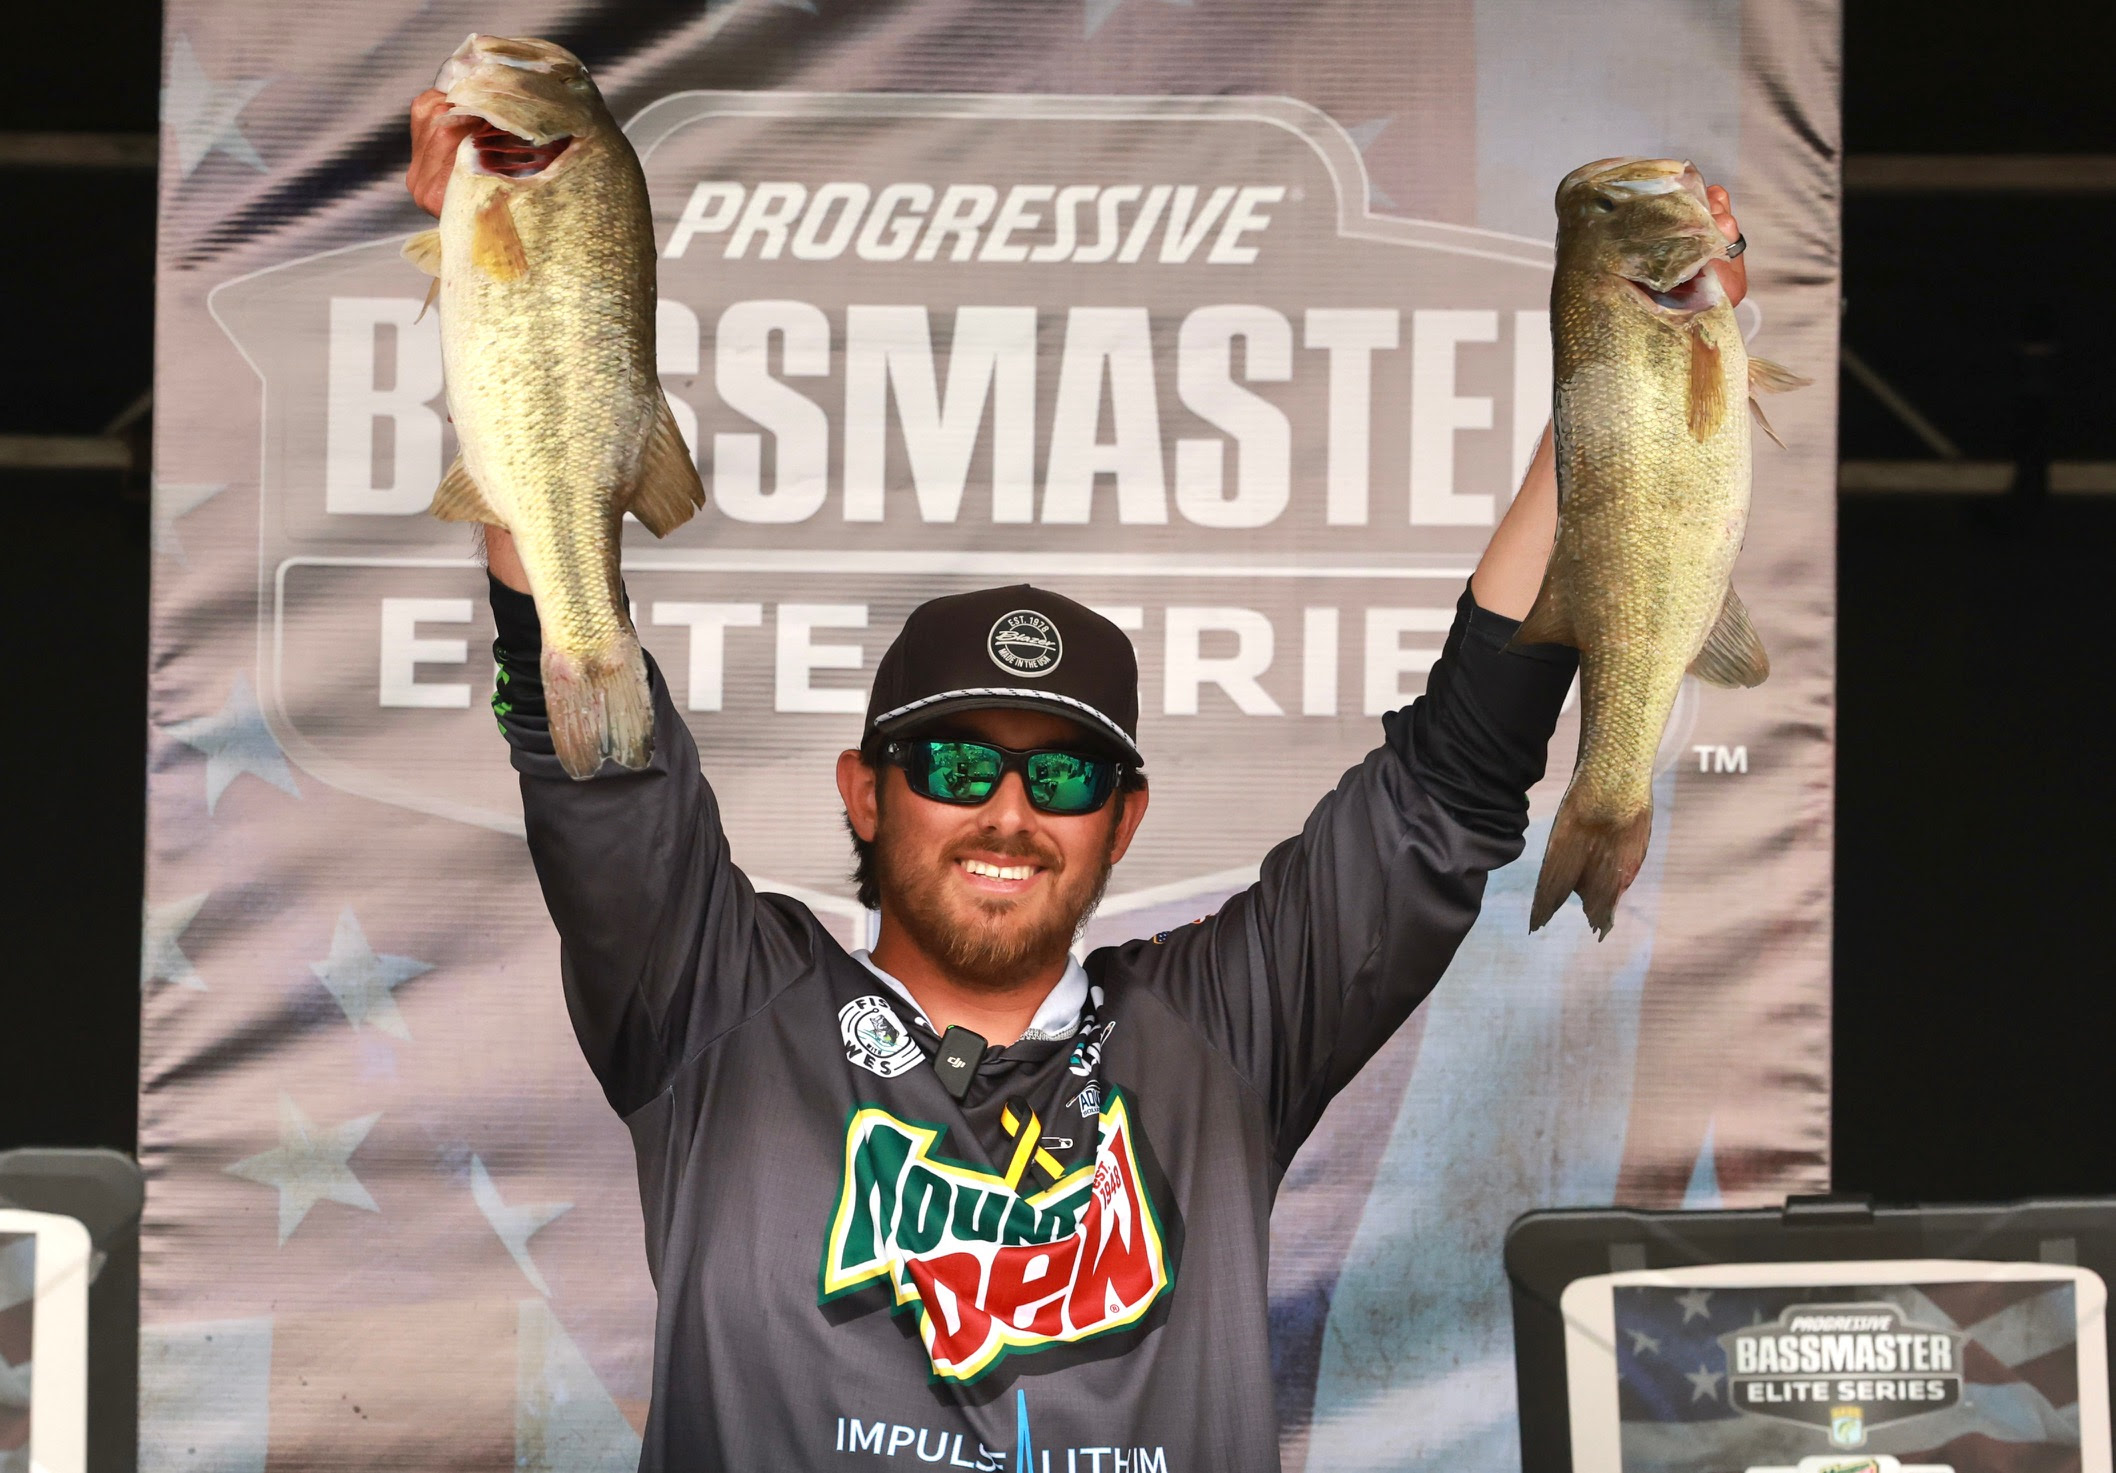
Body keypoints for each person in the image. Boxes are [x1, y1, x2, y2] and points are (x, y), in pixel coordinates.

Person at [407, 92, 1750, 1471]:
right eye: (953, 762)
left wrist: (1626, 389)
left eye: (1063, 775)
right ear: (864, 792)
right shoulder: (720, 1007)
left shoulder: (1215, 1038)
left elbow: (1449, 786)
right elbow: (585, 737)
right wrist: (516, 283)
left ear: (1124, 821)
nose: (1007, 810)